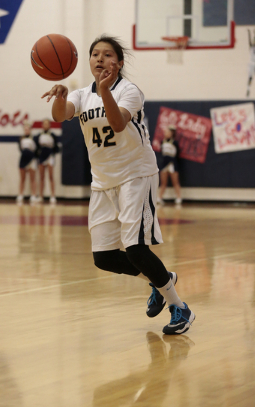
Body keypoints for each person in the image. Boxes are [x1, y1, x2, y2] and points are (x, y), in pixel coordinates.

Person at [42, 35, 195, 335]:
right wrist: (60, 96)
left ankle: (180, 306)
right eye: (95, 54)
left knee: (136, 249)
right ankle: (161, 278)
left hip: (135, 176)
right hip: (102, 182)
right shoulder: (81, 95)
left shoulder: (130, 91)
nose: (100, 59)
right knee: (104, 258)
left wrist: (105, 92)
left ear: (119, 63)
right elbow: (61, 115)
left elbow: (118, 124)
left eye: (107, 54)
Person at [34, 119, 60, 204]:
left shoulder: (52, 135)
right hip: (42, 156)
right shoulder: (38, 136)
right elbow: (36, 147)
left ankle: (52, 196)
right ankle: (41, 196)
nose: (45, 125)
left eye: (47, 124)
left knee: (51, 176)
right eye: (44, 124)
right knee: (41, 177)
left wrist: (53, 152)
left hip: (50, 156)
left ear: (49, 125)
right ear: (42, 125)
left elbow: (56, 147)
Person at [157, 126, 182, 205]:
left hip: (172, 164)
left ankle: (178, 197)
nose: (166, 133)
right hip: (164, 164)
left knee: (175, 182)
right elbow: (162, 153)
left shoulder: (175, 143)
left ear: (172, 133)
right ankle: (160, 197)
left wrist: (175, 162)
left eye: (168, 132)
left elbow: (177, 154)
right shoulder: (162, 142)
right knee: (163, 182)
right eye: (166, 132)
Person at [16, 123, 37, 204]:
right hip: (23, 158)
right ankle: (21, 194)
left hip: (32, 159)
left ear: (30, 130)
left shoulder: (34, 138)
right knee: (22, 178)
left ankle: (33, 195)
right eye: (25, 129)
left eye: (28, 129)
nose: (26, 131)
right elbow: (20, 149)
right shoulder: (21, 139)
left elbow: (36, 149)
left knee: (32, 178)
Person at [246, 28, 255, 98]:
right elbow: (250, 41)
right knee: (250, 77)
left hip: (252, 63)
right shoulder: (251, 46)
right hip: (251, 63)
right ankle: (248, 89)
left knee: (250, 77)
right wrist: (249, 33)